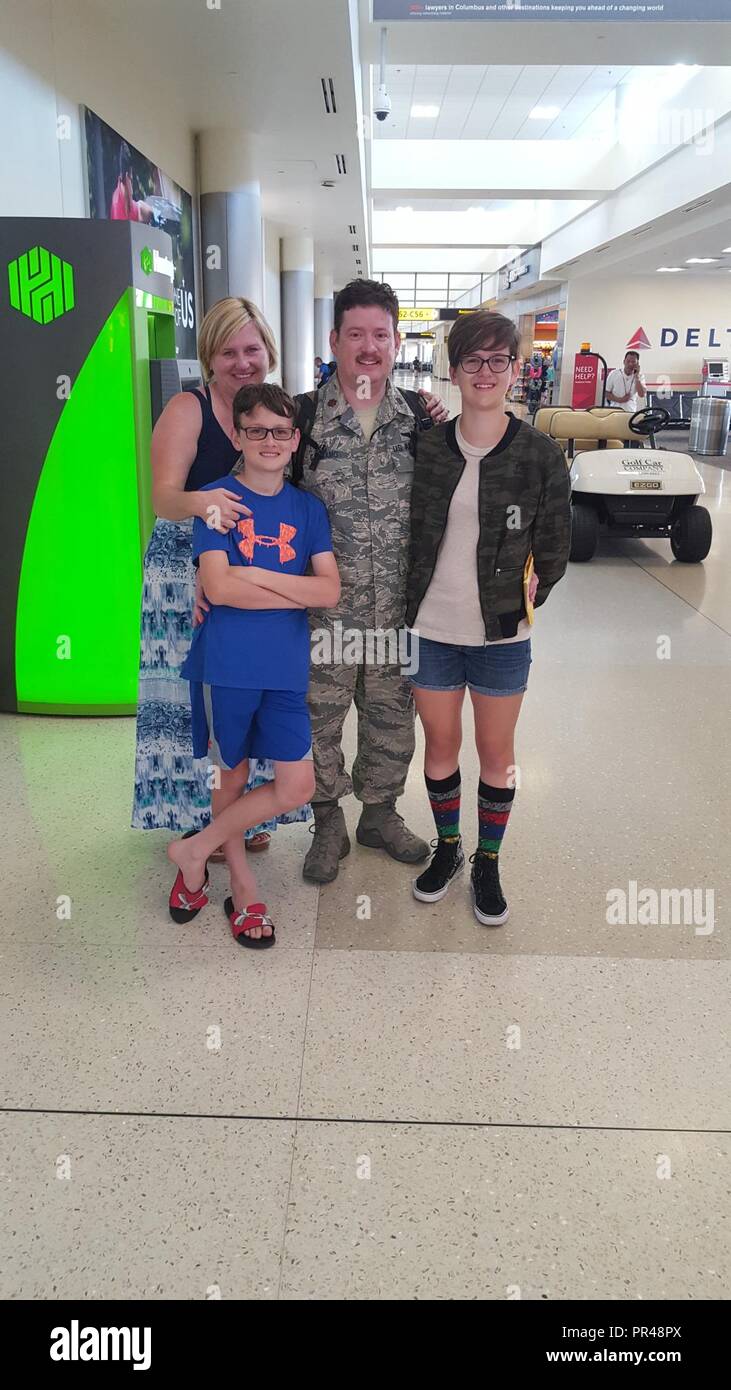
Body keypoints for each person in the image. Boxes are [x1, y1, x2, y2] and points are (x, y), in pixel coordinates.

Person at [405, 310, 571, 926]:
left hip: (502, 635)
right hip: (431, 629)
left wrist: (531, 590)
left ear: (514, 370)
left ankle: (488, 859)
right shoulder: (427, 447)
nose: (484, 372)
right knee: (441, 746)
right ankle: (448, 848)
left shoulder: (539, 455)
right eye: (472, 360)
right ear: (454, 370)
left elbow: (554, 546)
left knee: (497, 753)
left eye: (497, 360)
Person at [132, 297, 311, 850]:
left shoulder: (276, 411)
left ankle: (241, 817)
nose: (242, 362)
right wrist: (207, 503)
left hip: (252, 570)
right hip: (186, 570)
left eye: (252, 349)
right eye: (228, 351)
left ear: (269, 353)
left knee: (247, 690)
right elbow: (162, 497)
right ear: (209, 356)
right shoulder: (189, 409)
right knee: (191, 698)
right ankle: (196, 821)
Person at [167, 384, 339, 946]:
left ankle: (194, 850)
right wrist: (290, 589)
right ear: (238, 435)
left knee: (295, 785)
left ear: (295, 441)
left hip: (285, 671)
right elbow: (217, 586)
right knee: (231, 776)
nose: (269, 440)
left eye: (281, 431)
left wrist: (254, 576)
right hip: (227, 668)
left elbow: (330, 592)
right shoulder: (216, 500)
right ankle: (239, 884)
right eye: (257, 430)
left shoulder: (307, 509)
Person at [293, 278, 448, 884]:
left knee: (391, 717)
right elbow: (254, 495)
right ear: (333, 340)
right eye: (354, 333)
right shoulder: (300, 416)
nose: (367, 346)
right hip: (320, 613)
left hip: (398, 613)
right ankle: (327, 820)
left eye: (379, 335)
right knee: (319, 719)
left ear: (395, 341)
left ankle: (379, 814)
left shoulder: (422, 421)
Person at [110, 142, 153, 223]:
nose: (132, 186)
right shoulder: (128, 210)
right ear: (127, 177)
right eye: (131, 179)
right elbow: (147, 213)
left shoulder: (116, 196)